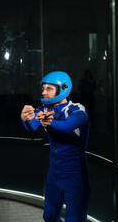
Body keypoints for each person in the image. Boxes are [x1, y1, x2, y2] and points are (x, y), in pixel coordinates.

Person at [20, 71, 90, 222]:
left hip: (75, 177)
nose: (44, 92)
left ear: (63, 88)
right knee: (50, 217)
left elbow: (67, 126)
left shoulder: (77, 110)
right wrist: (25, 118)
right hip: (54, 175)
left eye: (49, 89)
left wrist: (50, 123)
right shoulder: (44, 109)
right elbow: (32, 126)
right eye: (43, 88)